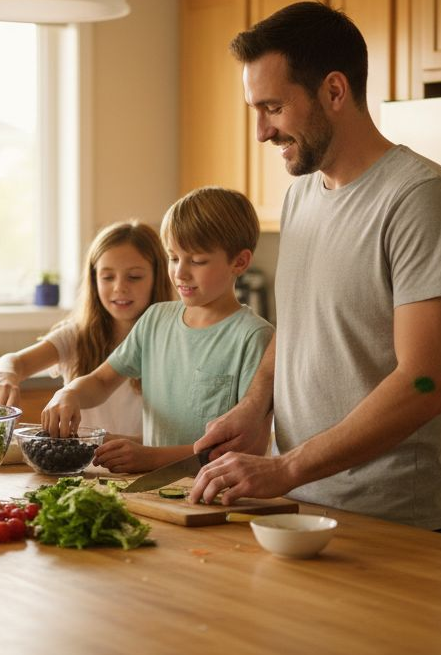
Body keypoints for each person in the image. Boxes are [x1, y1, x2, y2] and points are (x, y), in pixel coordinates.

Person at [188, 2, 441, 533]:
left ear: (334, 92)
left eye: (273, 107)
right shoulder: (303, 194)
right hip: (299, 507)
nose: (260, 132)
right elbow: (298, 328)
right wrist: (257, 406)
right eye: (254, 110)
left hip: (395, 523)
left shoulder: (420, 199)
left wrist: (286, 466)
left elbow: (426, 382)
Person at [40, 187, 274, 474]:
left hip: (215, 497)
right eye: (173, 258)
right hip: (152, 494)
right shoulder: (155, 320)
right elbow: (101, 382)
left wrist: (152, 458)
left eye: (197, 260)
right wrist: (69, 394)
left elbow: (248, 449)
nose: (180, 272)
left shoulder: (254, 337)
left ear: (239, 262)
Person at [0, 220, 174, 440]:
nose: (119, 287)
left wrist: (112, 442)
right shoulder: (76, 335)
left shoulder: (171, 340)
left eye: (134, 277)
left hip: (146, 467)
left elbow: (171, 440)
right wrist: (4, 377)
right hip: (83, 469)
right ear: (94, 279)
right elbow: (15, 361)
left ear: (157, 277)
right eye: (107, 277)